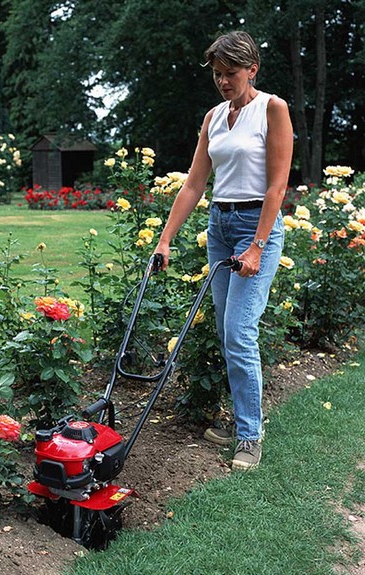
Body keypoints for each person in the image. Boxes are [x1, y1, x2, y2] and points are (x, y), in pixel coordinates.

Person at [153, 31, 293, 470]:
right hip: (219, 225)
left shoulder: (272, 108)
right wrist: (165, 238)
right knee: (226, 329)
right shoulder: (214, 116)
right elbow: (195, 183)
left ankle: (249, 435)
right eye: (217, 74)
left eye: (230, 73)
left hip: (257, 225)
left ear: (252, 69)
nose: (223, 82)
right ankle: (243, 421)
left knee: (239, 332)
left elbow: (276, 186)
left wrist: (257, 246)